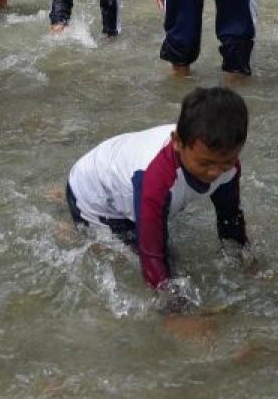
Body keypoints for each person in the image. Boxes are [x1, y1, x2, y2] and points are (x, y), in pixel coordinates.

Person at [65, 86, 249, 300]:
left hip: (119, 166)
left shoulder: (228, 164)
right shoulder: (157, 179)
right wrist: (175, 313)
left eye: (225, 162)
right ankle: (72, 232)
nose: (215, 172)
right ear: (177, 142)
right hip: (94, 193)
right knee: (158, 263)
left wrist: (246, 262)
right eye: (205, 163)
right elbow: (152, 256)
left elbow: (230, 218)